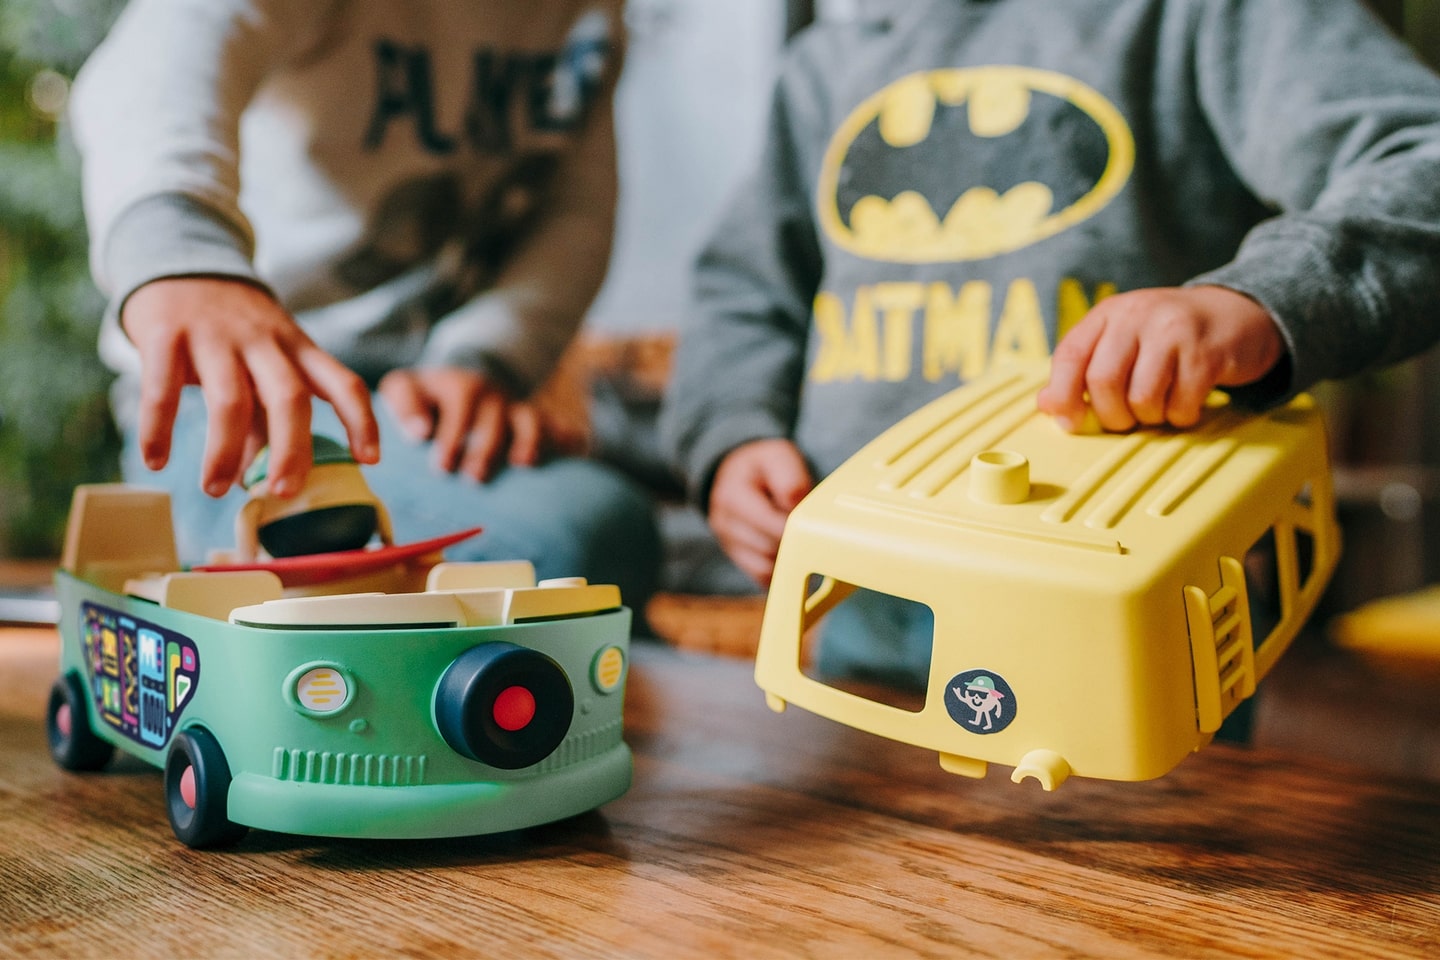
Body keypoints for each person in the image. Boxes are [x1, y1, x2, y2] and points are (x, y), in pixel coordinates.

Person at [660, 0, 1440, 687]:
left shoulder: (1216, 14)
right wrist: (734, 435)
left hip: (1138, 599)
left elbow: (1420, 158)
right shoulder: (828, 64)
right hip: (874, 592)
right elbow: (743, 290)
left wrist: (1255, 299)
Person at [69, 0, 659, 608]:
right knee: (574, 540)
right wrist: (183, 249)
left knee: (604, 530)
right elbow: (165, 51)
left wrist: (483, 358)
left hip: (419, 398)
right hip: (240, 404)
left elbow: (573, 212)